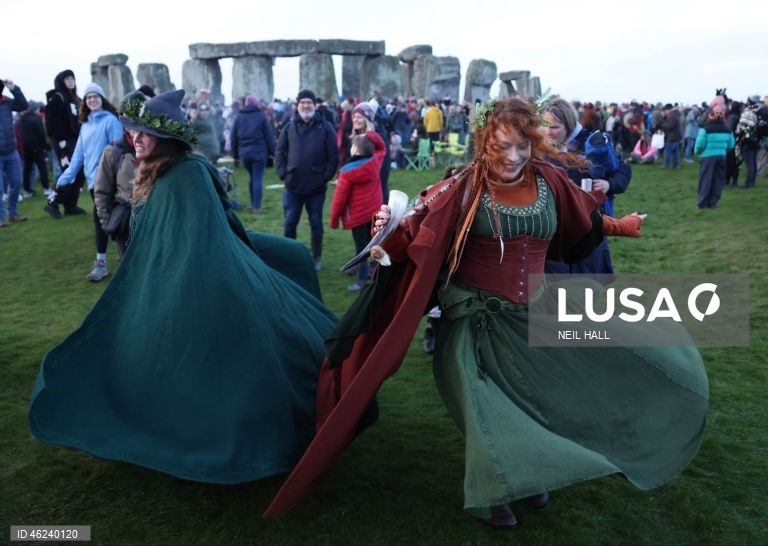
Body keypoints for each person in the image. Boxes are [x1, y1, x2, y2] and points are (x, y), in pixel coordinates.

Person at [263, 97, 708, 530]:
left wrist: (620, 225)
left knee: (534, 403)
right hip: (472, 321)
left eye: (522, 145)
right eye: (502, 146)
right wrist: (387, 228)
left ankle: (529, 473)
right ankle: (496, 490)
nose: (514, 156)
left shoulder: (550, 182)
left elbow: (582, 221)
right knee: (487, 411)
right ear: (483, 142)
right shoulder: (460, 188)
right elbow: (414, 238)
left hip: (536, 313)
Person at [29, 89, 337, 484]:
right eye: (132, 132)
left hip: (206, 273)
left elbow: (204, 233)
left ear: (168, 138)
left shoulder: (187, 173)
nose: (135, 139)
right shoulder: (152, 170)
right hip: (164, 272)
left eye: (144, 133)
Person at [541, 96, 632, 277]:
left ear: (568, 124)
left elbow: (623, 171)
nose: (548, 132)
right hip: (554, 230)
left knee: (586, 284)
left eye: (554, 127)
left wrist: (609, 184)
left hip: (589, 228)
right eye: (545, 126)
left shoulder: (593, 144)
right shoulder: (540, 148)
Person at [52, 83, 124, 281]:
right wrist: (64, 178)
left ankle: (101, 264)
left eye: (96, 96)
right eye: (88, 97)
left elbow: (118, 153)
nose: (92, 99)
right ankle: (122, 254)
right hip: (93, 182)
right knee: (107, 220)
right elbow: (78, 156)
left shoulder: (110, 121)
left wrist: (118, 180)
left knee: (104, 220)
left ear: (102, 99)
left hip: (110, 181)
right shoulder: (85, 125)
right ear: (85, 102)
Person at [275, 89, 339, 271]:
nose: (306, 106)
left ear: (314, 105)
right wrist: (283, 174)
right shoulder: (289, 127)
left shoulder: (325, 127)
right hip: (292, 185)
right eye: (302, 102)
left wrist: (324, 177)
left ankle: (316, 257)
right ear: (297, 105)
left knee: (316, 223)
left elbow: (333, 156)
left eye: (309, 103)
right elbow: (279, 152)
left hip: (316, 187)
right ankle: (289, 256)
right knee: (290, 222)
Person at [329, 131, 385, 291]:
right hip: (375, 213)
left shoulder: (347, 172)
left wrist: (334, 220)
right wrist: (370, 135)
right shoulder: (375, 161)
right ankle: (380, 277)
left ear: (357, 150)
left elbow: (340, 199)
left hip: (358, 217)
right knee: (376, 244)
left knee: (361, 249)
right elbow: (381, 146)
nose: (350, 148)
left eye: (353, 145)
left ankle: (360, 281)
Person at [92, 92, 146, 258]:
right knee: (131, 274)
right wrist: (108, 224)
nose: (134, 127)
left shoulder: (157, 149)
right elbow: (102, 192)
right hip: (126, 222)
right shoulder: (113, 153)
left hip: (156, 220)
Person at [43, 69, 85, 216]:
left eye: (72, 78)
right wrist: (61, 142)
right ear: (61, 82)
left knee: (79, 174)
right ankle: (52, 202)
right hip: (64, 143)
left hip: (77, 141)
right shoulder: (57, 98)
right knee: (69, 173)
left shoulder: (76, 99)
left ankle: (70, 206)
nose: (71, 81)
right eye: (67, 79)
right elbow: (52, 122)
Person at [231, 95, 275, 213]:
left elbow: (233, 137)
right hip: (259, 152)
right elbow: (269, 136)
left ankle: (252, 203)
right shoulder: (261, 116)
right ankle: (257, 206)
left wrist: (235, 155)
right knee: (257, 178)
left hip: (244, 152)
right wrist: (273, 152)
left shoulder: (239, 117)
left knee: (252, 177)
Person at [695, 95, 735, 209]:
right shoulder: (728, 130)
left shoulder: (706, 129)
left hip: (707, 157)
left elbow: (699, 145)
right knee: (718, 180)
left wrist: (699, 153)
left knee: (706, 180)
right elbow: (731, 145)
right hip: (721, 156)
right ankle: (713, 203)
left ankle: (702, 203)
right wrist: (723, 150)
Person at [0, 78, 29, 227]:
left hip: (11, 151)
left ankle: (13, 213)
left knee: (17, 183)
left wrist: (14, 88)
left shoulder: (6, 102)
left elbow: (23, 105)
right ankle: (0, 218)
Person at [18, 100, 51, 197]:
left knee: (27, 169)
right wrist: (46, 146)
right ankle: (46, 188)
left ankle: (27, 190)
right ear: (35, 109)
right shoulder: (36, 119)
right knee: (42, 168)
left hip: (25, 148)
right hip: (37, 147)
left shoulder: (21, 118)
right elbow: (41, 134)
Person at [661, 104, 682, 169]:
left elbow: (669, 126)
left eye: (665, 110)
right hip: (676, 136)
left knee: (667, 151)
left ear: (669, 110)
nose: (665, 112)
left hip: (671, 136)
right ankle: (676, 165)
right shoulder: (675, 115)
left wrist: (663, 124)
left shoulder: (671, 116)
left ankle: (666, 165)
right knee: (675, 152)